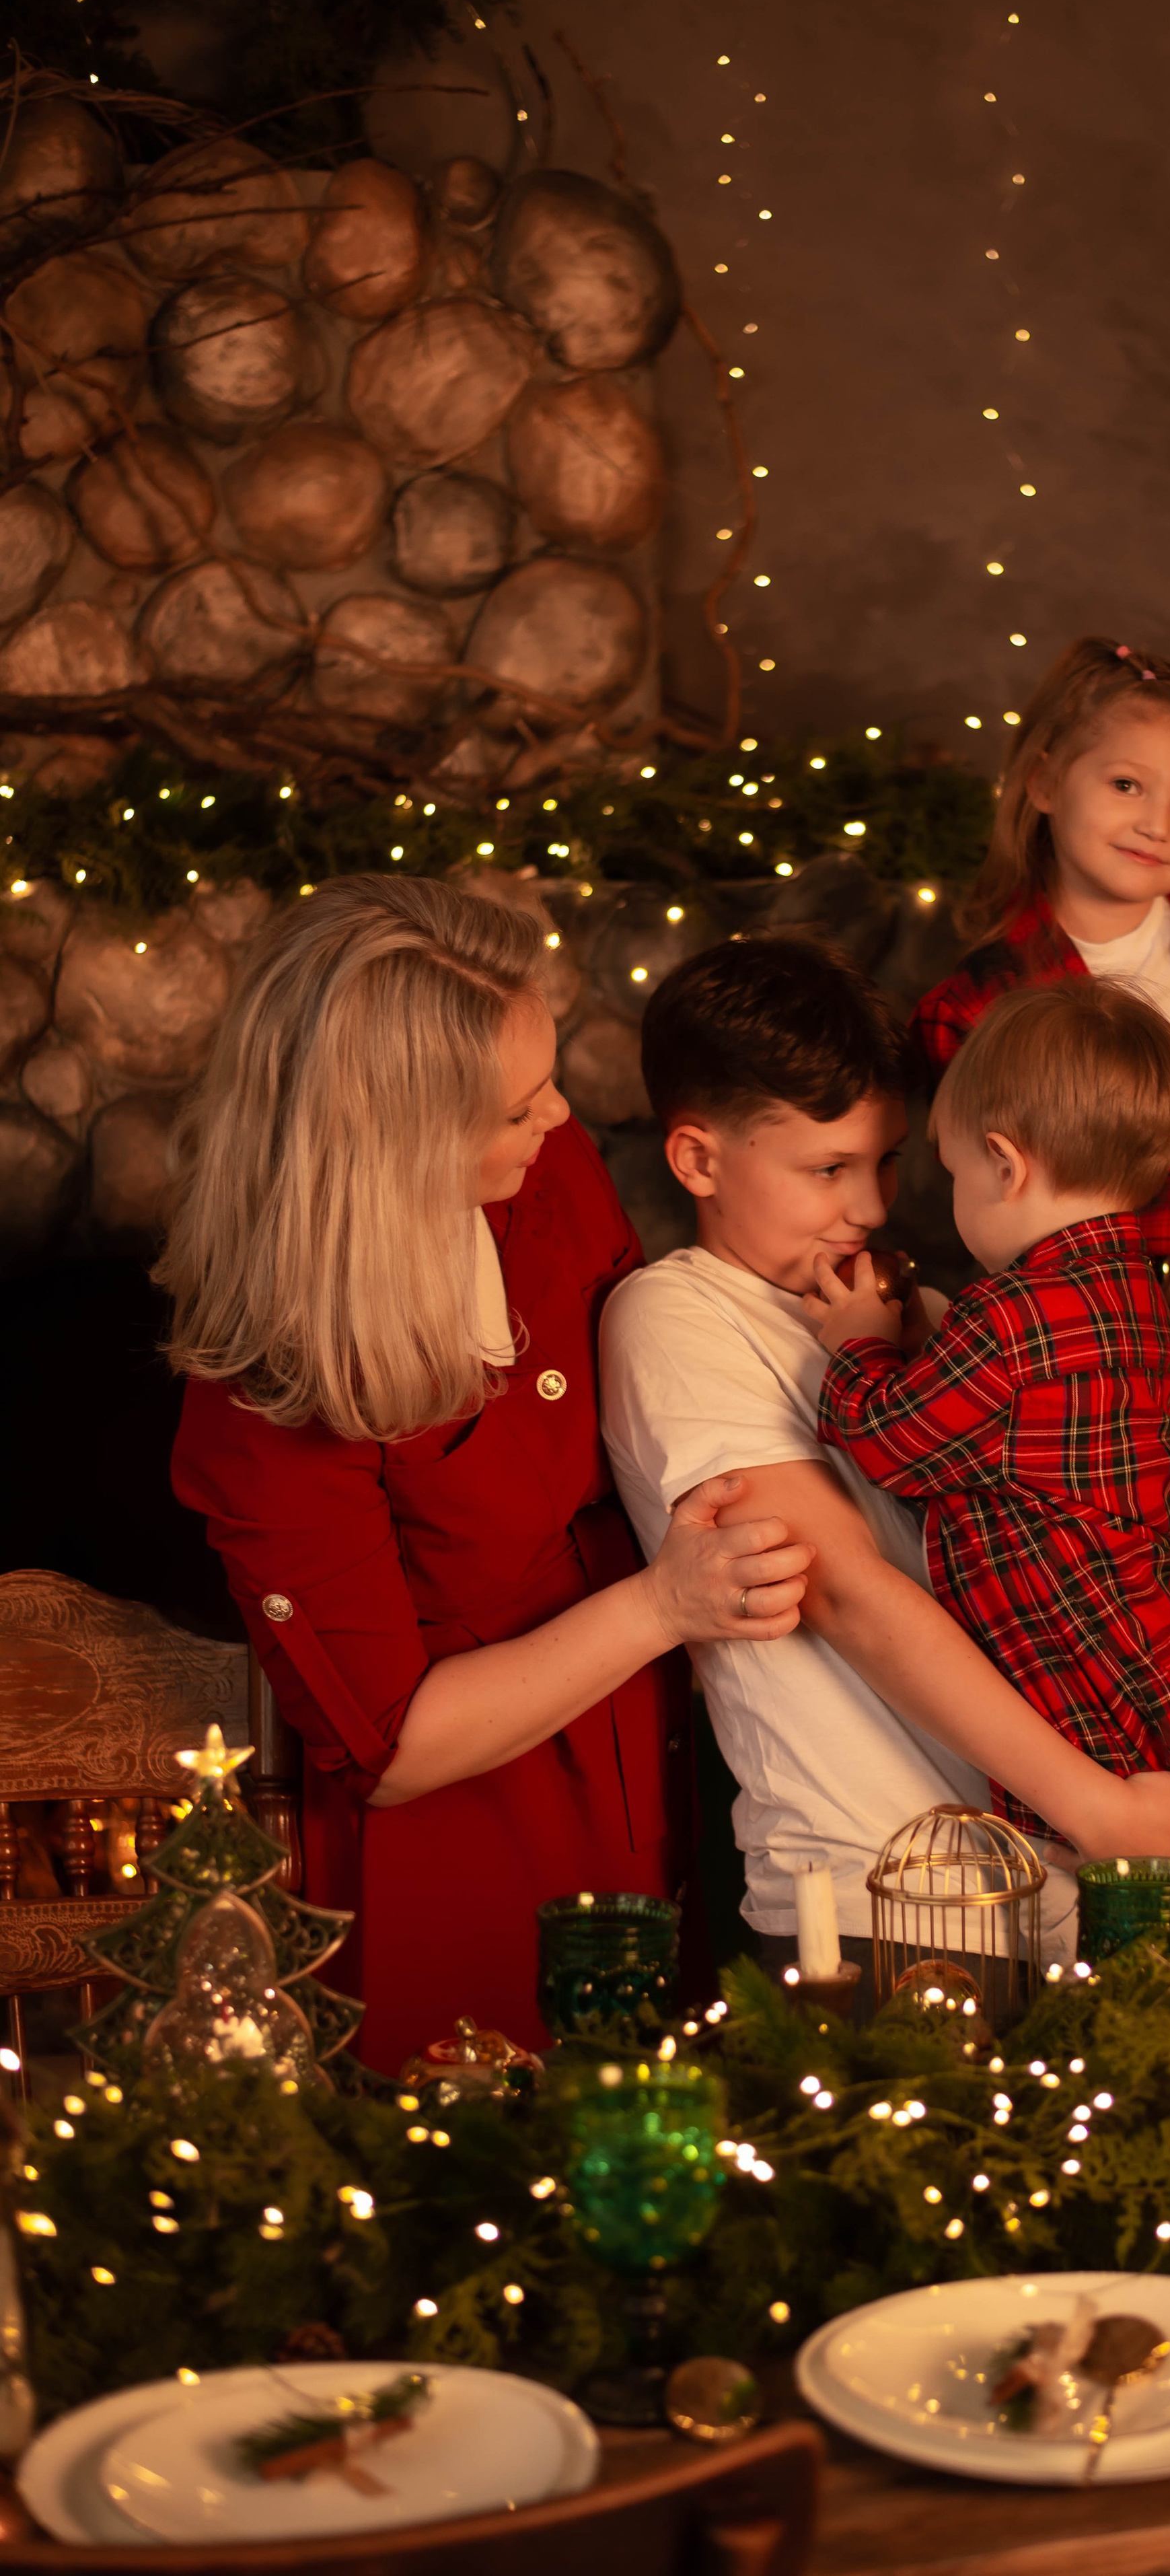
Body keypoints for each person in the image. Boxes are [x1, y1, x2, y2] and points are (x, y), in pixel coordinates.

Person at [163, 878, 813, 2073]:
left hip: (662, 1760)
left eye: (547, 1080)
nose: (559, 1114)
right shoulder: (270, 1393)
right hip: (473, 1842)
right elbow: (396, 1748)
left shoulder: (544, 1167)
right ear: (395, 1143)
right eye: (517, 1107)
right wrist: (665, 1603)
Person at [599, 937, 1170, 1985]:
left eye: (888, 1159)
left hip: (1061, 1882)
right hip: (870, 1894)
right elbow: (840, 1589)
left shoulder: (937, 1313)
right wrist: (1099, 1806)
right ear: (699, 1161)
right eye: (827, 1169)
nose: (874, 1205)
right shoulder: (677, 1316)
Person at [805, 976, 1170, 1842]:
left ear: (1005, 1165)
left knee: (1092, 1874)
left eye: (954, 1171)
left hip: (1074, 1653)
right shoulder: (1133, 1289)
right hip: (1151, 1643)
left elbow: (889, 1442)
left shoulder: (1010, 1315)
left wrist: (858, 1344)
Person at [908, 637, 1170, 1540]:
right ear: (1045, 782)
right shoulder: (993, 1000)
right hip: (1077, 1303)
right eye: (1126, 785)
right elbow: (1028, 1206)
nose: (1157, 824)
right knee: (1148, 1510)